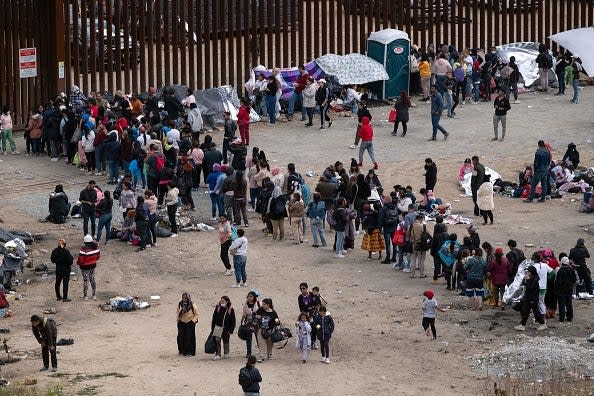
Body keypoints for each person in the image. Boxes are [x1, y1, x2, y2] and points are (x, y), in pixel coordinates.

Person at [515, 265, 547, 331]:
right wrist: (525, 280)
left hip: (533, 298)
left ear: (532, 272)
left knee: (536, 312)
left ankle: (543, 324)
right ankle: (522, 325)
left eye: (529, 272)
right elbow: (525, 284)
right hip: (528, 298)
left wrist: (527, 280)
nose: (528, 273)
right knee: (525, 311)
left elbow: (530, 287)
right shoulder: (531, 278)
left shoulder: (535, 279)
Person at [211, 296, 236, 360]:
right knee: (217, 340)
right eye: (221, 300)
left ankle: (226, 353)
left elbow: (233, 321)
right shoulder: (218, 307)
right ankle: (218, 354)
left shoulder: (230, 309)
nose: (221, 302)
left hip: (226, 328)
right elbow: (214, 317)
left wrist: (231, 330)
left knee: (226, 341)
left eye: (223, 301)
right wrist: (213, 327)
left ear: (227, 301)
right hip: (217, 327)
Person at [76, 234, 100, 301]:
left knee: (86, 280)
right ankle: (94, 295)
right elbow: (98, 257)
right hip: (93, 265)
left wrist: (79, 264)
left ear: (85, 242)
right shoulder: (96, 248)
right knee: (92, 279)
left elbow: (81, 260)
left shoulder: (83, 249)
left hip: (84, 267)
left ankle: (85, 296)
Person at [555, 256, 577, 324]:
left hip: (561, 289)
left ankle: (562, 318)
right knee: (569, 303)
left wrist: (556, 289)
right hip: (569, 288)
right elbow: (574, 280)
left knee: (561, 303)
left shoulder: (560, 271)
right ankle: (569, 317)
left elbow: (558, 282)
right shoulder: (571, 270)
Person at [177, 292, 199, 356]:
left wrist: (193, 321)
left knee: (189, 337)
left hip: (190, 322)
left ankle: (189, 352)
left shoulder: (192, 305)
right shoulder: (180, 304)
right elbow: (177, 311)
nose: (184, 299)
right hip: (181, 322)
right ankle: (181, 350)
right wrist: (178, 319)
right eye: (183, 298)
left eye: (185, 298)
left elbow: (197, 314)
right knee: (180, 336)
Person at [241, 291, 261, 358]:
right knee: (248, 338)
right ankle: (249, 352)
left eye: (251, 296)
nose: (249, 298)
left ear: (254, 297)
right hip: (248, 323)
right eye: (248, 296)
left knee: (258, 337)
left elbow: (261, 312)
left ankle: (261, 351)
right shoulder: (245, 305)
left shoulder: (258, 303)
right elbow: (244, 314)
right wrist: (243, 317)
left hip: (257, 323)